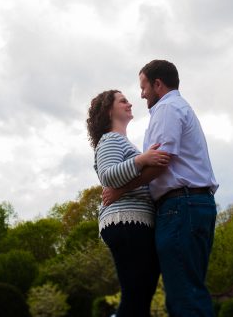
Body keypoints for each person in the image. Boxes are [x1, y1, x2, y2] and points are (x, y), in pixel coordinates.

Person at [104, 59, 219, 316]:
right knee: (190, 289)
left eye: (143, 86)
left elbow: (161, 163)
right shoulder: (180, 107)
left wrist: (121, 190)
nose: (141, 94)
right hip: (193, 205)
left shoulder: (167, 109)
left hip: (180, 207)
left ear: (157, 84)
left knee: (183, 297)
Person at [87, 89, 172, 317]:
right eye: (123, 101)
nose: (130, 103)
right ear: (108, 109)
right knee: (135, 295)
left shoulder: (123, 141)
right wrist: (142, 159)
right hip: (125, 222)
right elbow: (108, 175)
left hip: (137, 224)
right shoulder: (110, 140)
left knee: (141, 296)